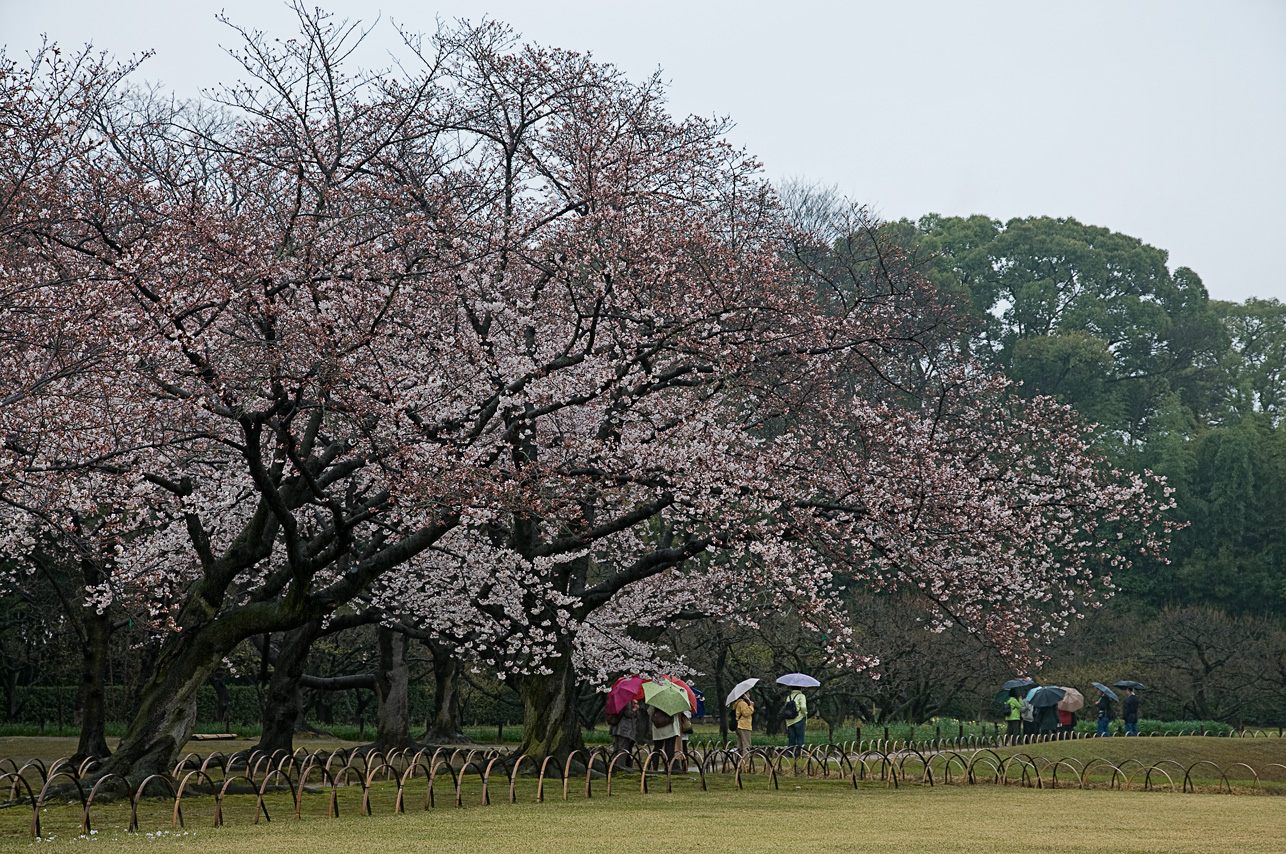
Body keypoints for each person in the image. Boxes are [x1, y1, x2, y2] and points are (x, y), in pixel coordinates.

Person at [609, 698, 638, 767]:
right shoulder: (626, 700)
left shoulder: (618, 699)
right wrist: (634, 709)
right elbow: (628, 714)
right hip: (624, 729)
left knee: (616, 748)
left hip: (616, 728)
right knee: (623, 750)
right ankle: (620, 766)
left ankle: (612, 765)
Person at [784, 687, 807, 753]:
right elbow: (803, 707)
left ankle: (791, 754)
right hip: (799, 719)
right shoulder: (801, 696)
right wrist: (805, 713)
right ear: (800, 688)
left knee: (791, 739)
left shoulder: (789, 697)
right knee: (800, 738)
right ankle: (799, 753)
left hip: (789, 721)